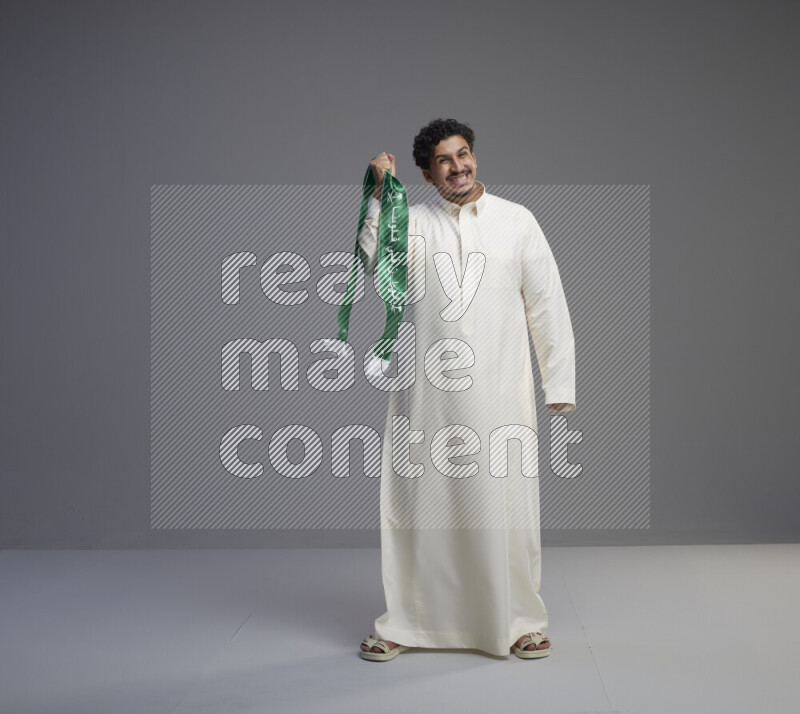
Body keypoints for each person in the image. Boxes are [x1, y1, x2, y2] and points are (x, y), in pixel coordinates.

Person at [356, 118, 576, 660]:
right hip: (426, 396)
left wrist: (559, 379)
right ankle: (408, 624)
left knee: (509, 508)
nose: (458, 167)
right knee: (418, 507)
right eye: (444, 162)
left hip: (503, 393)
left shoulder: (516, 221)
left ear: (474, 156)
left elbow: (545, 301)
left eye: (464, 155)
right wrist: (378, 199)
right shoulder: (410, 223)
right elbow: (372, 264)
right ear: (428, 175)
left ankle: (521, 620)